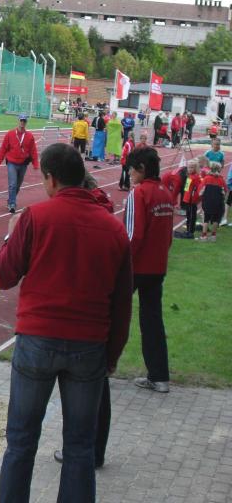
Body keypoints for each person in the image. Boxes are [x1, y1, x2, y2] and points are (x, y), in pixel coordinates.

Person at [0, 143, 133, 503]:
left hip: (37, 341)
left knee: (21, 442)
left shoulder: (35, 217)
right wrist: (112, 355)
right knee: (80, 447)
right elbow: (122, 304)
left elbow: (3, 276)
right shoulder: (113, 228)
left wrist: (10, 235)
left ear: (52, 179)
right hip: (89, 346)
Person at [53, 171, 115, 470]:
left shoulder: (88, 215)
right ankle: (95, 451)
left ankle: (79, 450)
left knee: (78, 393)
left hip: (79, 314)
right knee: (98, 389)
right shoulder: (106, 212)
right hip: (99, 314)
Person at [125, 146, 174, 393]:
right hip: (158, 267)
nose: (129, 173)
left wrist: (121, 263)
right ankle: (159, 377)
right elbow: (168, 236)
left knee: (112, 315)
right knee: (153, 320)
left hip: (136, 267)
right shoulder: (166, 192)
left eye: (131, 169)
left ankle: (100, 367)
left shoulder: (139, 193)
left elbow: (133, 235)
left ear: (142, 169)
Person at [0, 115, 39, 214]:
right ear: (18, 121)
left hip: (23, 164)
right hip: (12, 163)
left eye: (24, 121)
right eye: (21, 120)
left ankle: (10, 200)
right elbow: (3, 149)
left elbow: (33, 151)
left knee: (18, 185)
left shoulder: (29, 136)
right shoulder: (10, 134)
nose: (22, 122)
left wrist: (35, 164)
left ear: (26, 122)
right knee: (13, 184)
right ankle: (12, 204)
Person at [198, 162, 226, 241]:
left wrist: (202, 197)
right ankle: (213, 236)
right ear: (219, 169)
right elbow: (225, 191)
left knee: (206, 218)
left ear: (210, 168)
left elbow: (200, 191)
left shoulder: (206, 178)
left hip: (208, 202)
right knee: (216, 219)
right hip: (218, 202)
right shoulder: (221, 179)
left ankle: (204, 236)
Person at [175, 159, 201, 239]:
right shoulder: (189, 176)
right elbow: (186, 188)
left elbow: (198, 188)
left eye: (192, 167)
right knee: (188, 215)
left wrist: (195, 198)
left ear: (195, 168)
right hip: (187, 199)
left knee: (192, 216)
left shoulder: (196, 177)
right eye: (189, 167)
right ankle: (188, 231)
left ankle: (190, 232)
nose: (189, 169)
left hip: (192, 200)